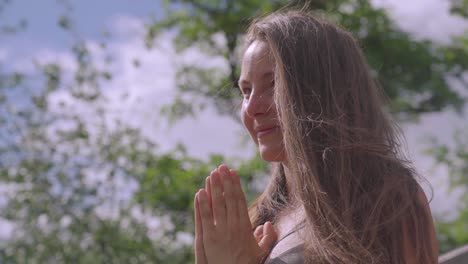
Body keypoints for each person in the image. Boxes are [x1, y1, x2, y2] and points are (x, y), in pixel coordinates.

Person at [193, 9, 439, 264]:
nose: (252, 107)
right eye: (246, 91)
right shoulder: (255, 222)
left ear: (322, 91)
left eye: (274, 84)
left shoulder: (386, 199)